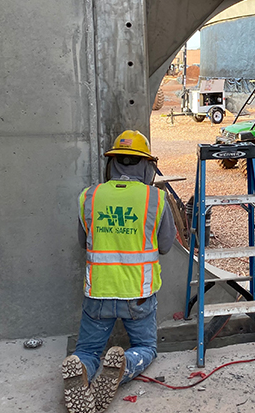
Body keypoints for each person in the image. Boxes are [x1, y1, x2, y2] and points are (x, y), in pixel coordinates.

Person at [62, 130, 177, 413]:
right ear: (147, 166)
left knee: (87, 350)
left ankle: (82, 368)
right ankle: (124, 366)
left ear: (111, 165)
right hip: (138, 295)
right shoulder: (156, 199)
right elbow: (164, 247)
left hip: (98, 293)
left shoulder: (90, 196)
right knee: (146, 347)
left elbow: (82, 242)